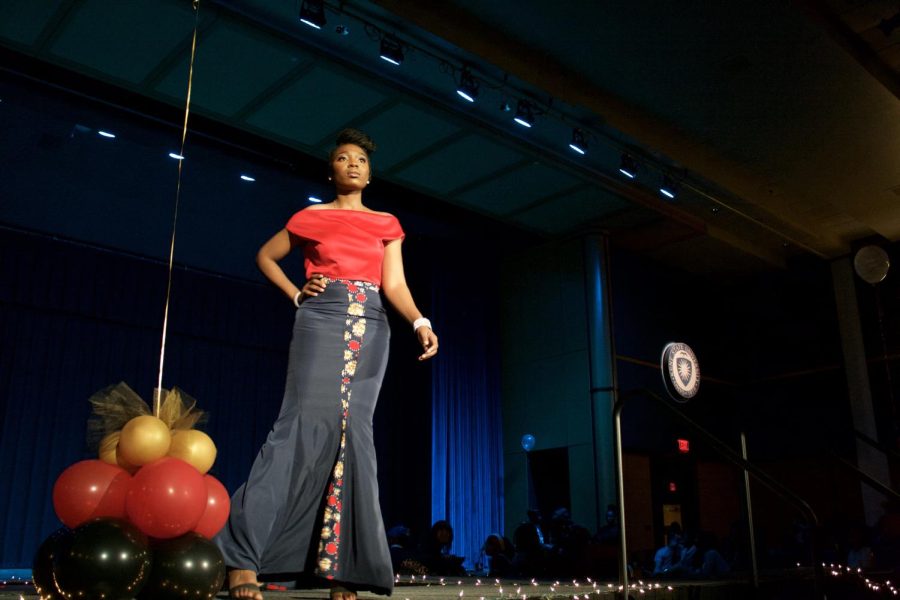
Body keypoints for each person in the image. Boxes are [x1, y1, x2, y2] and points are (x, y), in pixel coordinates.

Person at [215, 129, 439, 600]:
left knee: (353, 434)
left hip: (374, 325)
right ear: (331, 170)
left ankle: (341, 569)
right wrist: (297, 293)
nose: (352, 164)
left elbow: (393, 283)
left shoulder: (387, 223)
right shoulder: (310, 216)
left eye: (360, 159)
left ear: (370, 172)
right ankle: (241, 559)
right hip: (321, 319)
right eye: (343, 158)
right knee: (298, 426)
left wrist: (419, 320)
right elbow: (266, 256)